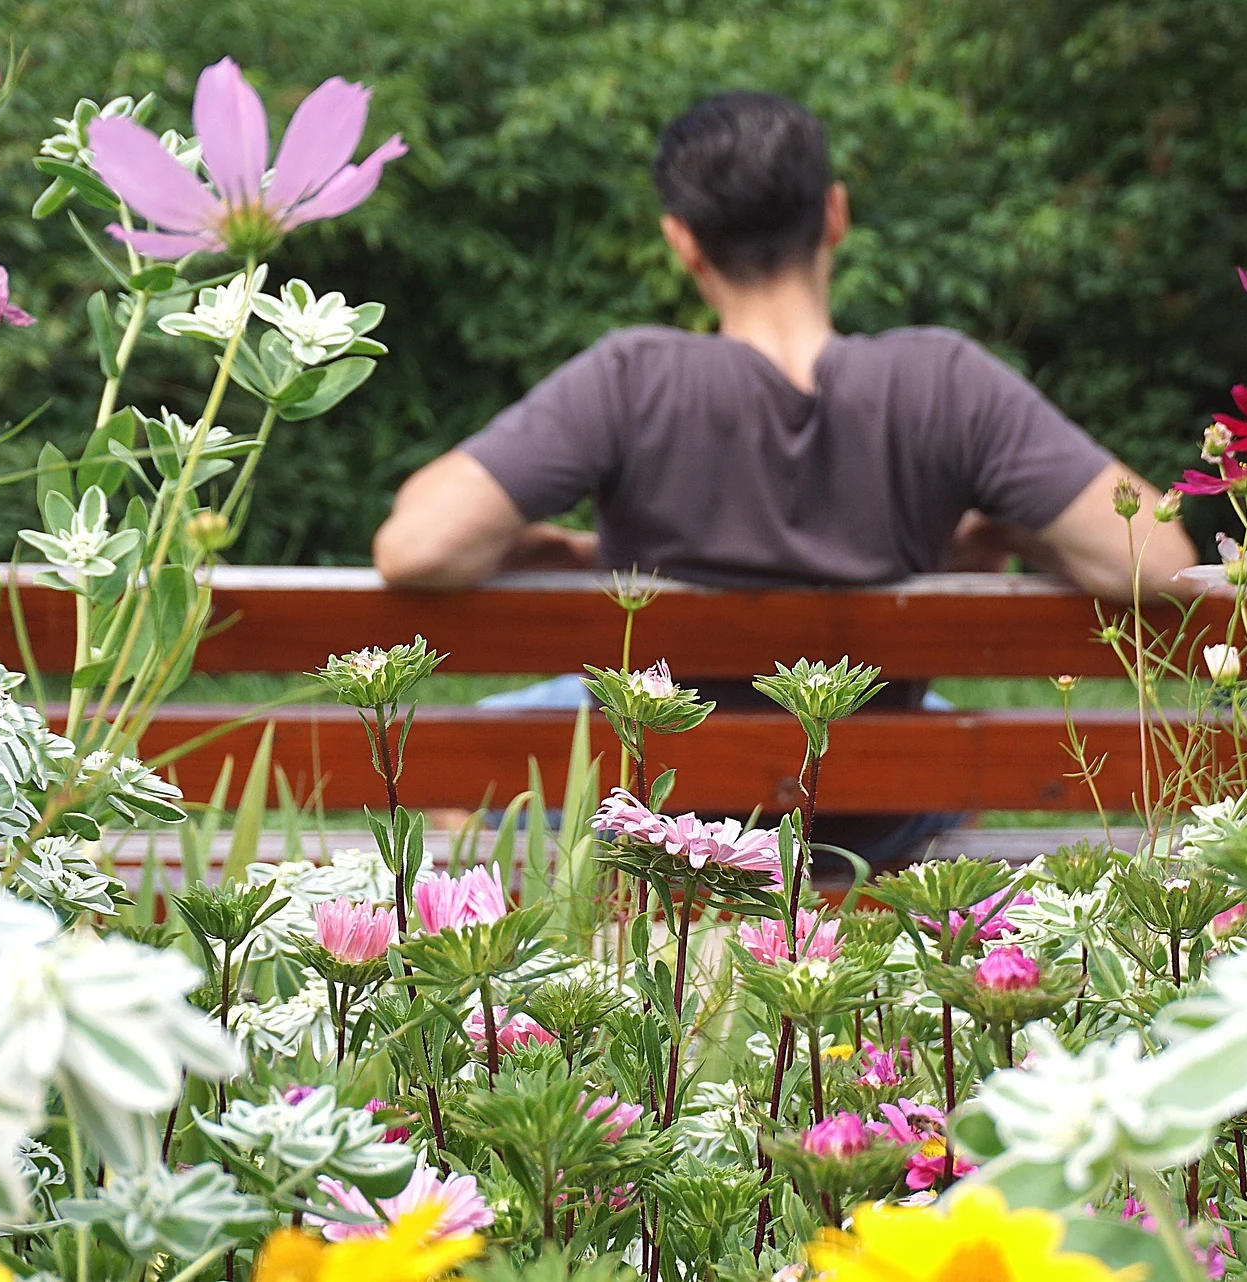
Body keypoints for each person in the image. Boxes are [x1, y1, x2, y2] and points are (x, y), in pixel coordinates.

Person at [373, 91, 1195, 859]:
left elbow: (416, 548)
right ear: (834, 213)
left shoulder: (629, 379)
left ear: (682, 238)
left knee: (445, 749)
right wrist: (1008, 531)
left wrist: (553, 546)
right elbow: (1158, 562)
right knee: (945, 742)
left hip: (659, 817)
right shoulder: (948, 380)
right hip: (861, 817)